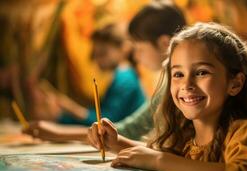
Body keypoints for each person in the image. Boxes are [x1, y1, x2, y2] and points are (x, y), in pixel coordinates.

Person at [87, 22, 247, 171]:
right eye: (178, 74)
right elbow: (154, 155)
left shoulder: (244, 132)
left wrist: (160, 161)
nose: (186, 84)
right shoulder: (185, 132)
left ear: (235, 84)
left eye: (201, 72)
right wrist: (116, 143)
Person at [23, 1, 186, 141]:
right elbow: (129, 128)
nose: (135, 56)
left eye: (139, 48)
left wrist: (61, 127)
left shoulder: (131, 77)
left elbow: (119, 126)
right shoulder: (167, 82)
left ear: (166, 44)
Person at [56, 23, 145, 125]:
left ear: (124, 48)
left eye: (103, 53)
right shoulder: (123, 75)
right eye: (94, 54)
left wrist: (70, 107)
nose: (97, 59)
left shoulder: (125, 78)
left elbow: (107, 121)